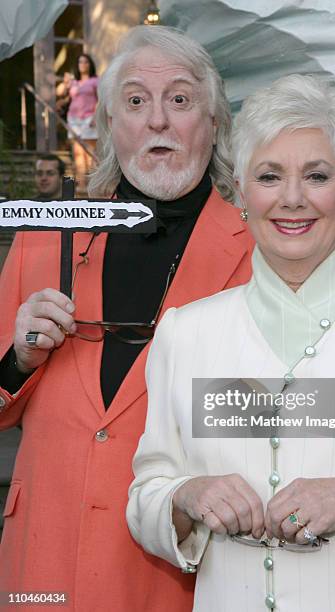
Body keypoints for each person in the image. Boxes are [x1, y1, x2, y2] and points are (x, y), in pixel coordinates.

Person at [127, 75, 335, 611]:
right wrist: (185, 497)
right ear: (241, 194)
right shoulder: (186, 335)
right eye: (269, 176)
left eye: (316, 175)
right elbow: (146, 495)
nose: (292, 199)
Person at [0, 26, 253, 612]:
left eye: (181, 100)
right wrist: (18, 360)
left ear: (213, 123)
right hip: (43, 566)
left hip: (176, 574)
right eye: (136, 101)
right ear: (110, 123)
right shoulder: (43, 237)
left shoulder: (258, 253)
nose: (158, 121)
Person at [58, 54, 99, 193]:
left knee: (90, 153)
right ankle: (81, 186)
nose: (82, 64)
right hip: (74, 119)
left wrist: (96, 116)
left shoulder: (95, 81)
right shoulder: (74, 82)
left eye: (85, 62)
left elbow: (101, 99)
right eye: (80, 62)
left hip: (89, 118)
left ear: (90, 64)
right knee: (78, 154)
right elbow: (59, 93)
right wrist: (65, 83)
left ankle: (93, 185)